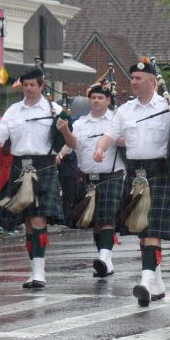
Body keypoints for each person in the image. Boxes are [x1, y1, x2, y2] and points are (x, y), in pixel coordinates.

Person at [93, 56, 170, 307]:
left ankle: (145, 280)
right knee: (143, 234)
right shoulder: (125, 111)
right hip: (135, 175)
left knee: (152, 230)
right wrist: (99, 149)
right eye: (132, 78)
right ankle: (157, 282)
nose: (133, 82)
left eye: (137, 78)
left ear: (152, 81)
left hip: (160, 173)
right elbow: (109, 136)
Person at [0, 66, 64, 289]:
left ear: (42, 86)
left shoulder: (54, 109)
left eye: (33, 84)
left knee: (38, 220)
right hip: (20, 167)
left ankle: (40, 272)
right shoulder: (13, 111)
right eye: (25, 85)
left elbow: (70, 139)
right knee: (28, 224)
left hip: (44, 167)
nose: (29, 89)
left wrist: (60, 153)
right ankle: (34, 271)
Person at [56, 80, 125, 277]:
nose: (95, 101)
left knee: (106, 218)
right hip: (88, 179)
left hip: (111, 175)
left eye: (100, 97)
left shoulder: (116, 121)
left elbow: (128, 142)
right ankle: (106, 262)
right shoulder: (80, 123)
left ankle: (104, 257)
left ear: (108, 100)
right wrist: (63, 143)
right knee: (96, 222)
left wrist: (122, 141)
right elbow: (72, 144)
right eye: (93, 98)